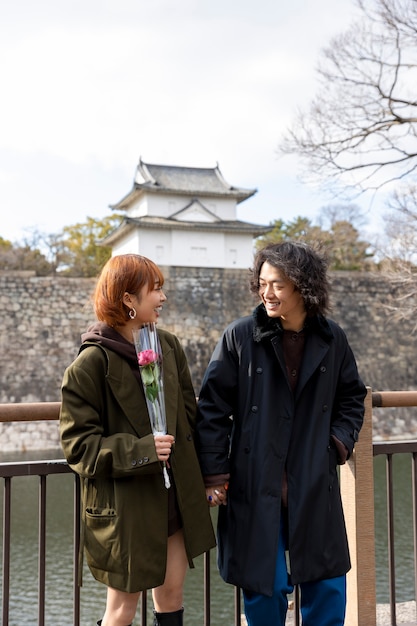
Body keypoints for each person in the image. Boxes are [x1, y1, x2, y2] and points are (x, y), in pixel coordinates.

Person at [195, 241, 366, 626]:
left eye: (278, 284)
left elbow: (352, 396)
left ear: (304, 288)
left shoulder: (332, 339)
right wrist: (215, 474)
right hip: (254, 480)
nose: (266, 292)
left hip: (313, 477)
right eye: (262, 282)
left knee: (327, 585)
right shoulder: (240, 337)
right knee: (264, 588)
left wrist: (336, 444)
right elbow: (211, 409)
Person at [60, 254, 215, 626]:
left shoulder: (169, 347)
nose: (162, 298)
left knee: (173, 596)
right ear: (128, 299)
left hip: (172, 499)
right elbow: (78, 447)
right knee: (121, 610)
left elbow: (190, 418)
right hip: (125, 505)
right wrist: (143, 450)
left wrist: (211, 477)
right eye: (155, 289)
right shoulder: (90, 364)